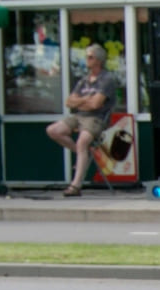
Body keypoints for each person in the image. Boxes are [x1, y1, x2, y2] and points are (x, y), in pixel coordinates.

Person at [46, 44, 120, 197]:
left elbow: (96, 104)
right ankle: (83, 154)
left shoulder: (106, 79)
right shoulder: (84, 80)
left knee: (82, 142)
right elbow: (68, 102)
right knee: (53, 130)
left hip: (96, 118)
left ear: (99, 61)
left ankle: (75, 186)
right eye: (86, 56)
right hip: (79, 116)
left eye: (90, 57)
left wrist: (80, 101)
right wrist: (84, 100)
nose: (87, 60)